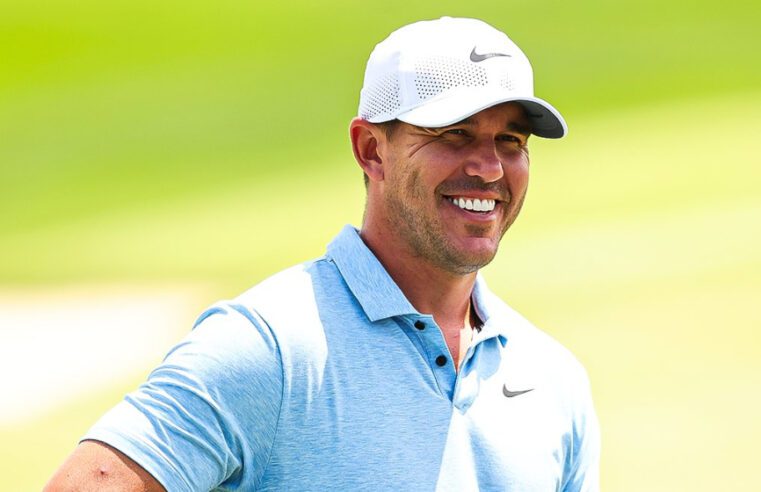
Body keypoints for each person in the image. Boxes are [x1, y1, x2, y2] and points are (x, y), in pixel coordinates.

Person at [46, 16, 600, 491]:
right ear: (371, 150)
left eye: (511, 140)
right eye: (454, 133)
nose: (490, 167)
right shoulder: (268, 349)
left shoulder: (553, 378)